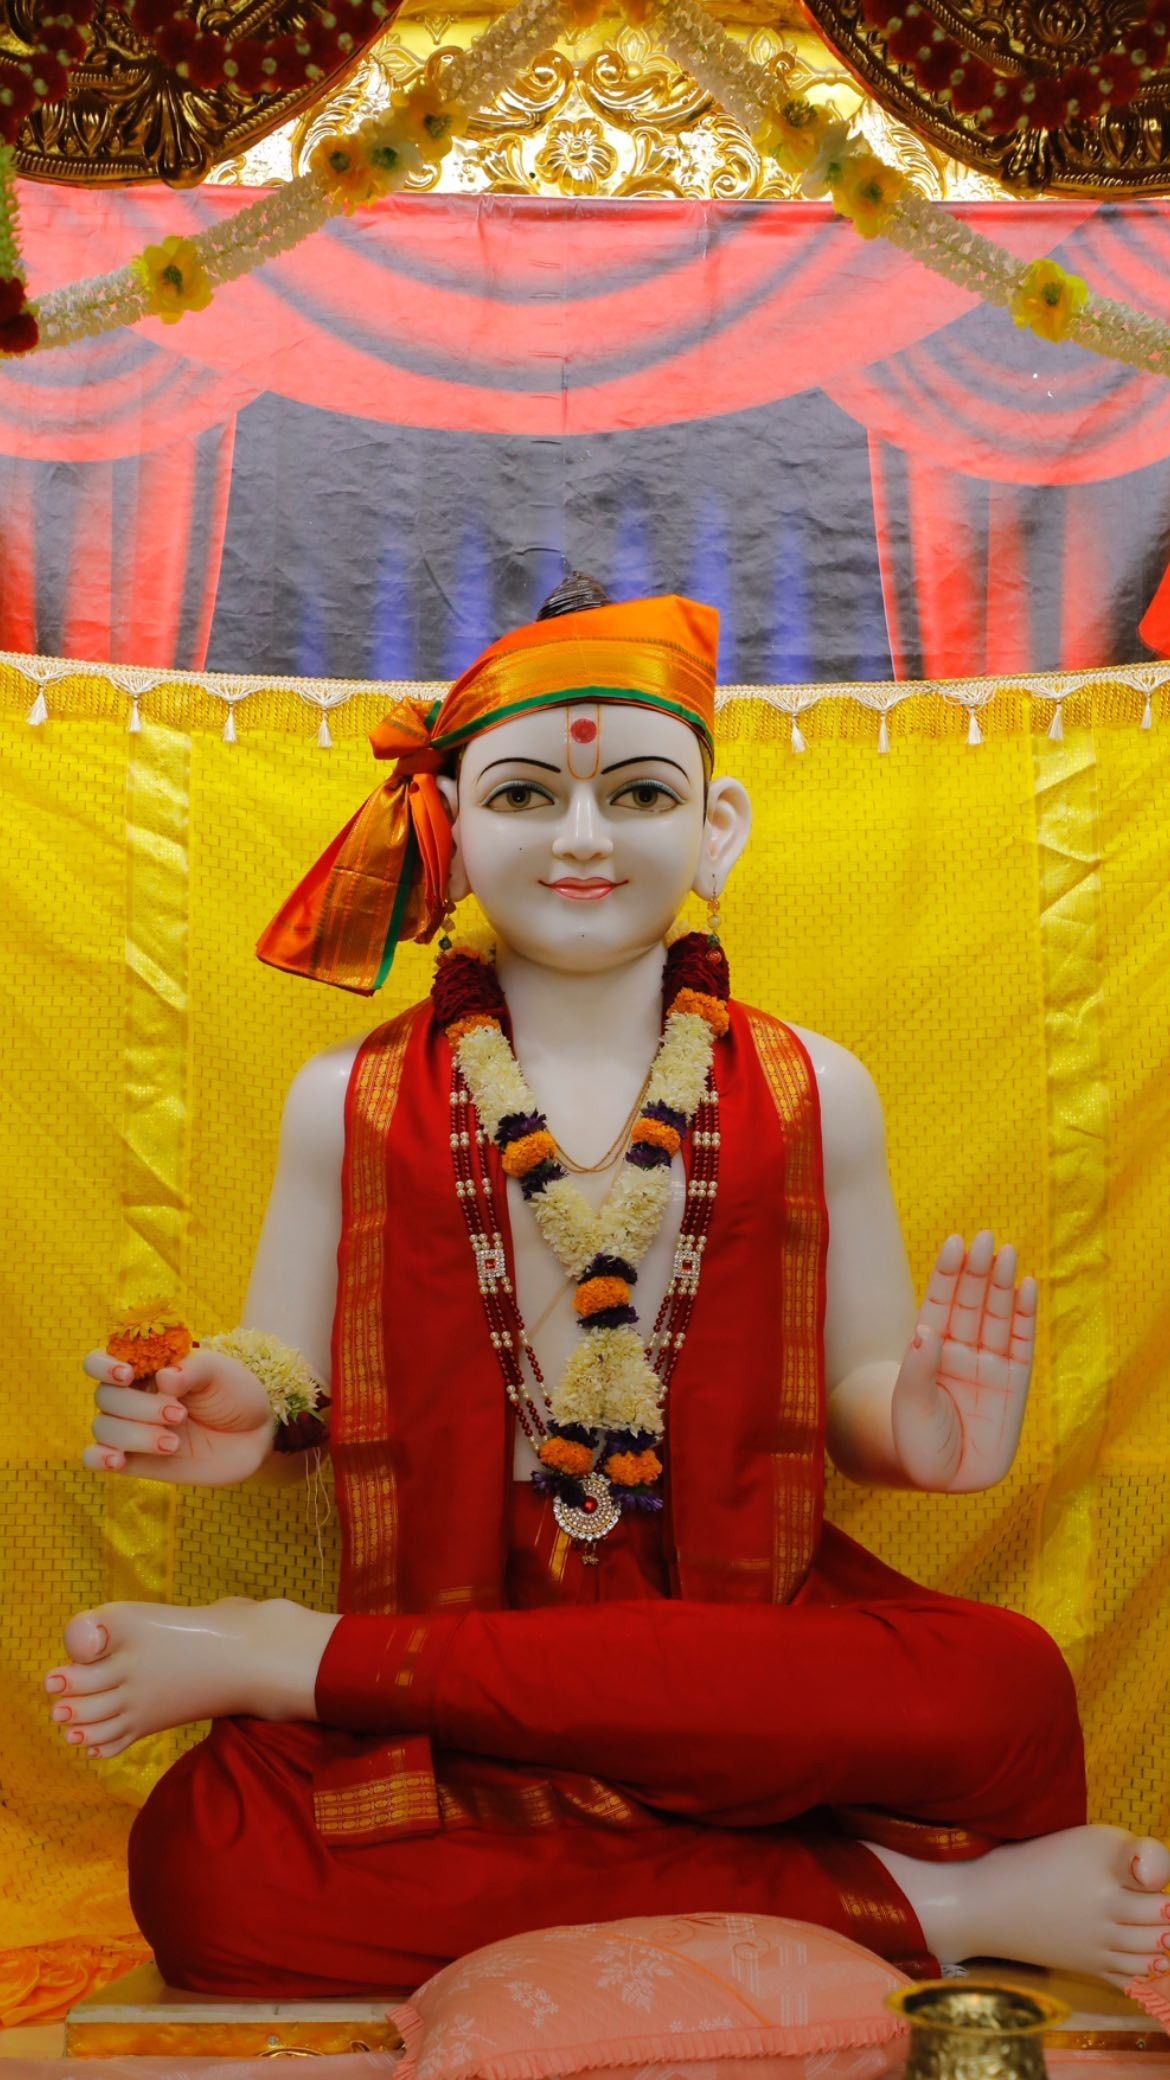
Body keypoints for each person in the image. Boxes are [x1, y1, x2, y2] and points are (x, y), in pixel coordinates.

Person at [46, 580, 1170, 1998]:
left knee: (998, 1693)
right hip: (456, 1630)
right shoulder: (351, 1097)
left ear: (717, 828)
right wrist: (239, 1407)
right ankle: (940, 1905)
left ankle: (293, 1662)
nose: (582, 837)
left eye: (637, 794)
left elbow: (858, 1402)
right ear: (446, 833)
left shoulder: (815, 1086)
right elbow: (290, 1378)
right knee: (207, 1872)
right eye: (525, 796)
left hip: (733, 1643)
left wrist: (930, 1429)